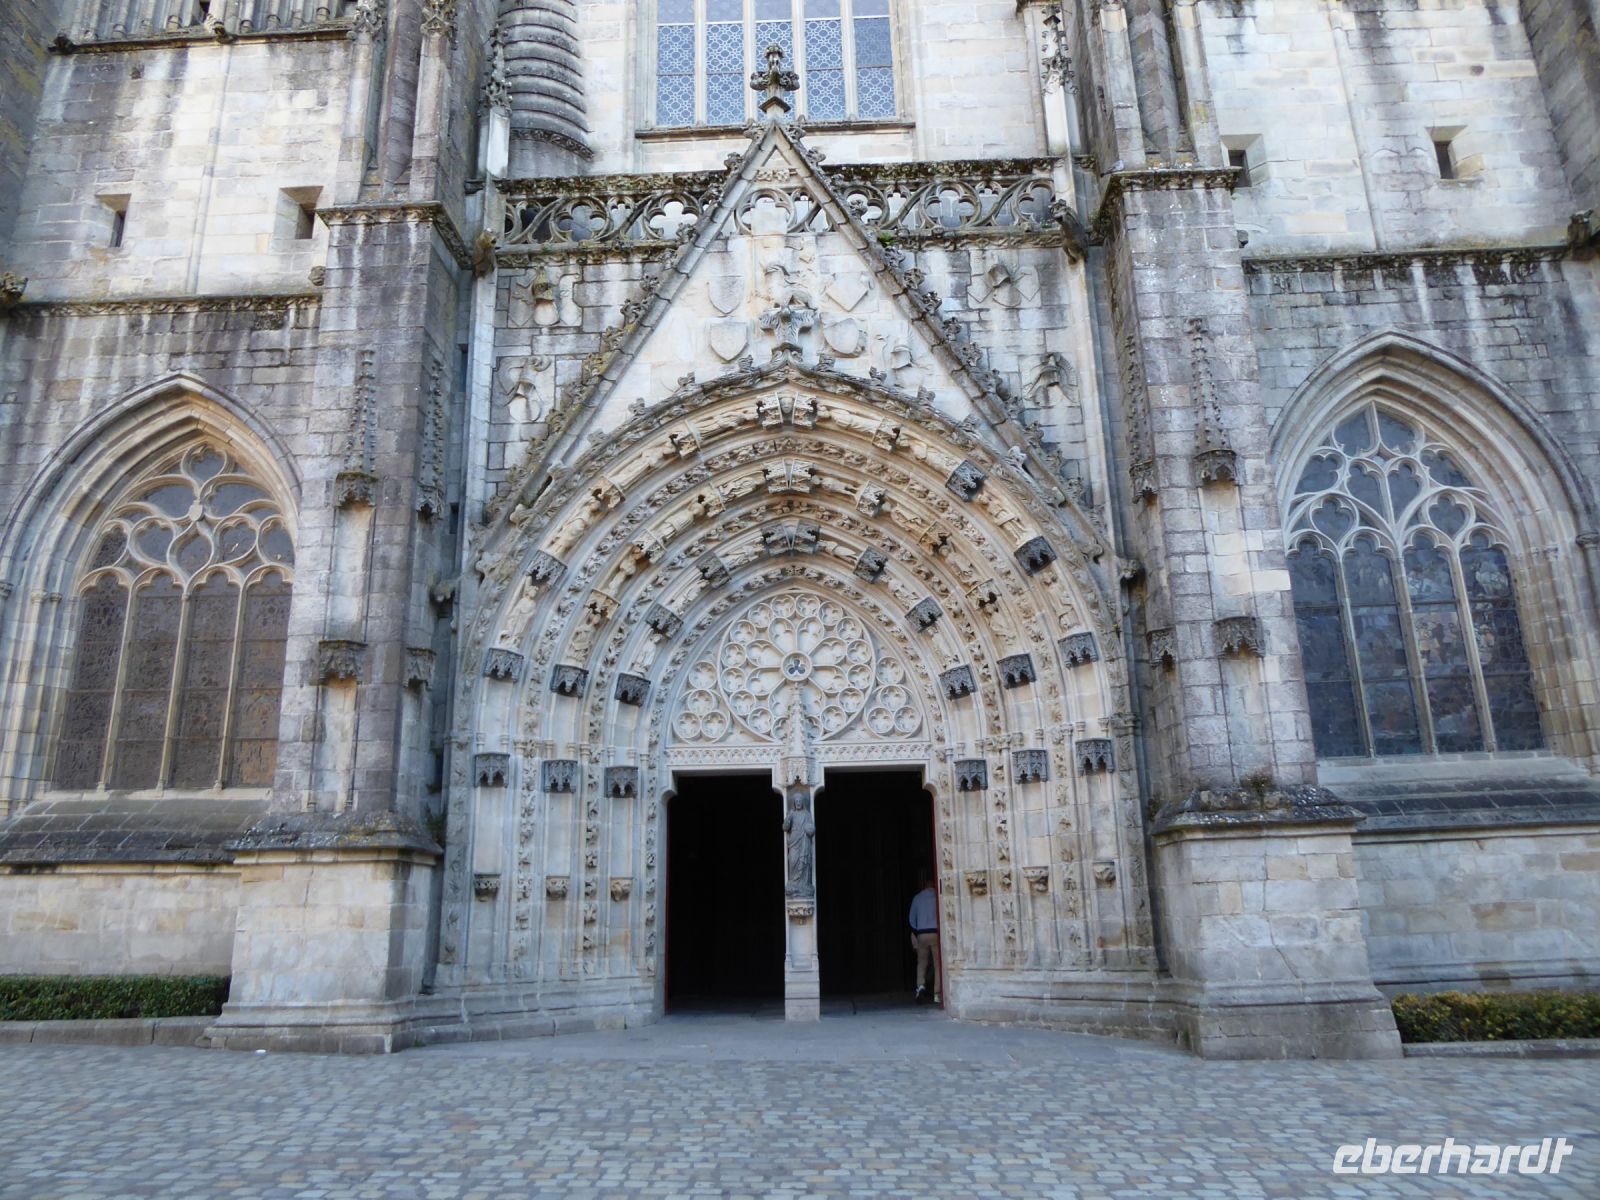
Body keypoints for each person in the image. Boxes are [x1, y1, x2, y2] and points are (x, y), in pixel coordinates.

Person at [907, 872, 941, 1005]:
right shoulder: (937, 896)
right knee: (938, 964)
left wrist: (916, 933)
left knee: (922, 963)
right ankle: (937, 993)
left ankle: (920, 986)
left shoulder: (917, 898)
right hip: (935, 933)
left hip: (921, 933)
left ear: (925, 886)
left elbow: (911, 919)